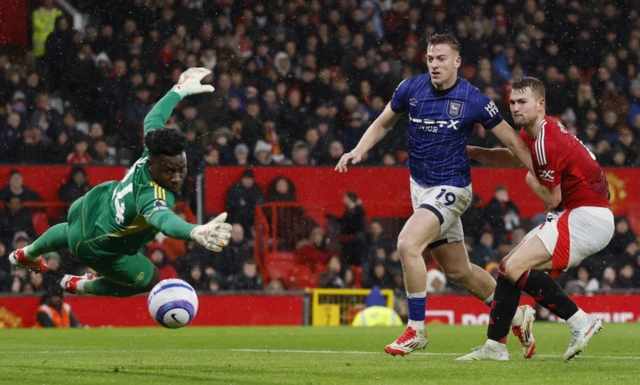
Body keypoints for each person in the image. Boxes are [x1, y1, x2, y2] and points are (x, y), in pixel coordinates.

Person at [335, 34, 535, 357]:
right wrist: (358, 150)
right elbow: (384, 122)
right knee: (459, 272)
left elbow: (512, 142)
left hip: (453, 187)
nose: (434, 64)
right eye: (430, 58)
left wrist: (541, 174)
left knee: (407, 243)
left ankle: (416, 329)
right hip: (421, 188)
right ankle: (517, 314)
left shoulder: (473, 99)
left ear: (457, 61)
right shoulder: (410, 89)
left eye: (441, 58)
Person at [8, 68, 233, 297]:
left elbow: (153, 118)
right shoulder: (153, 194)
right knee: (150, 280)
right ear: (153, 167)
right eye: (169, 172)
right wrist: (194, 231)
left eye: (181, 169)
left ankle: (27, 253)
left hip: (89, 210)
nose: (176, 177)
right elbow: (164, 219)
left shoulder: (154, 149)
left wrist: (178, 90)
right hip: (97, 248)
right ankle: (82, 285)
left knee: (69, 231)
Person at [459, 77, 613, 361]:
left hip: (586, 216)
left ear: (540, 104)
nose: (515, 108)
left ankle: (581, 321)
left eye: (522, 102)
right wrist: (474, 152)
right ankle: (495, 346)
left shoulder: (545, 140)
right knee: (507, 268)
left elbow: (551, 198)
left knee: (516, 265)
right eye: (513, 103)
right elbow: (515, 157)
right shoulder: (538, 131)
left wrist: (531, 180)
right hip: (581, 213)